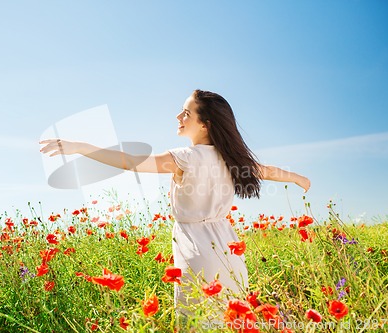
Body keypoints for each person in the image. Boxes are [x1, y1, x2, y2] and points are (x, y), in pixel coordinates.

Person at [40, 89, 311, 318]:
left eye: (186, 113)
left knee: (197, 322)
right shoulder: (234, 159)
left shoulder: (185, 157)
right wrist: (299, 179)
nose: (178, 117)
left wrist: (82, 147)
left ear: (205, 124)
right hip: (229, 250)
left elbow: (128, 161)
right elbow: (272, 171)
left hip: (197, 250)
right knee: (234, 320)